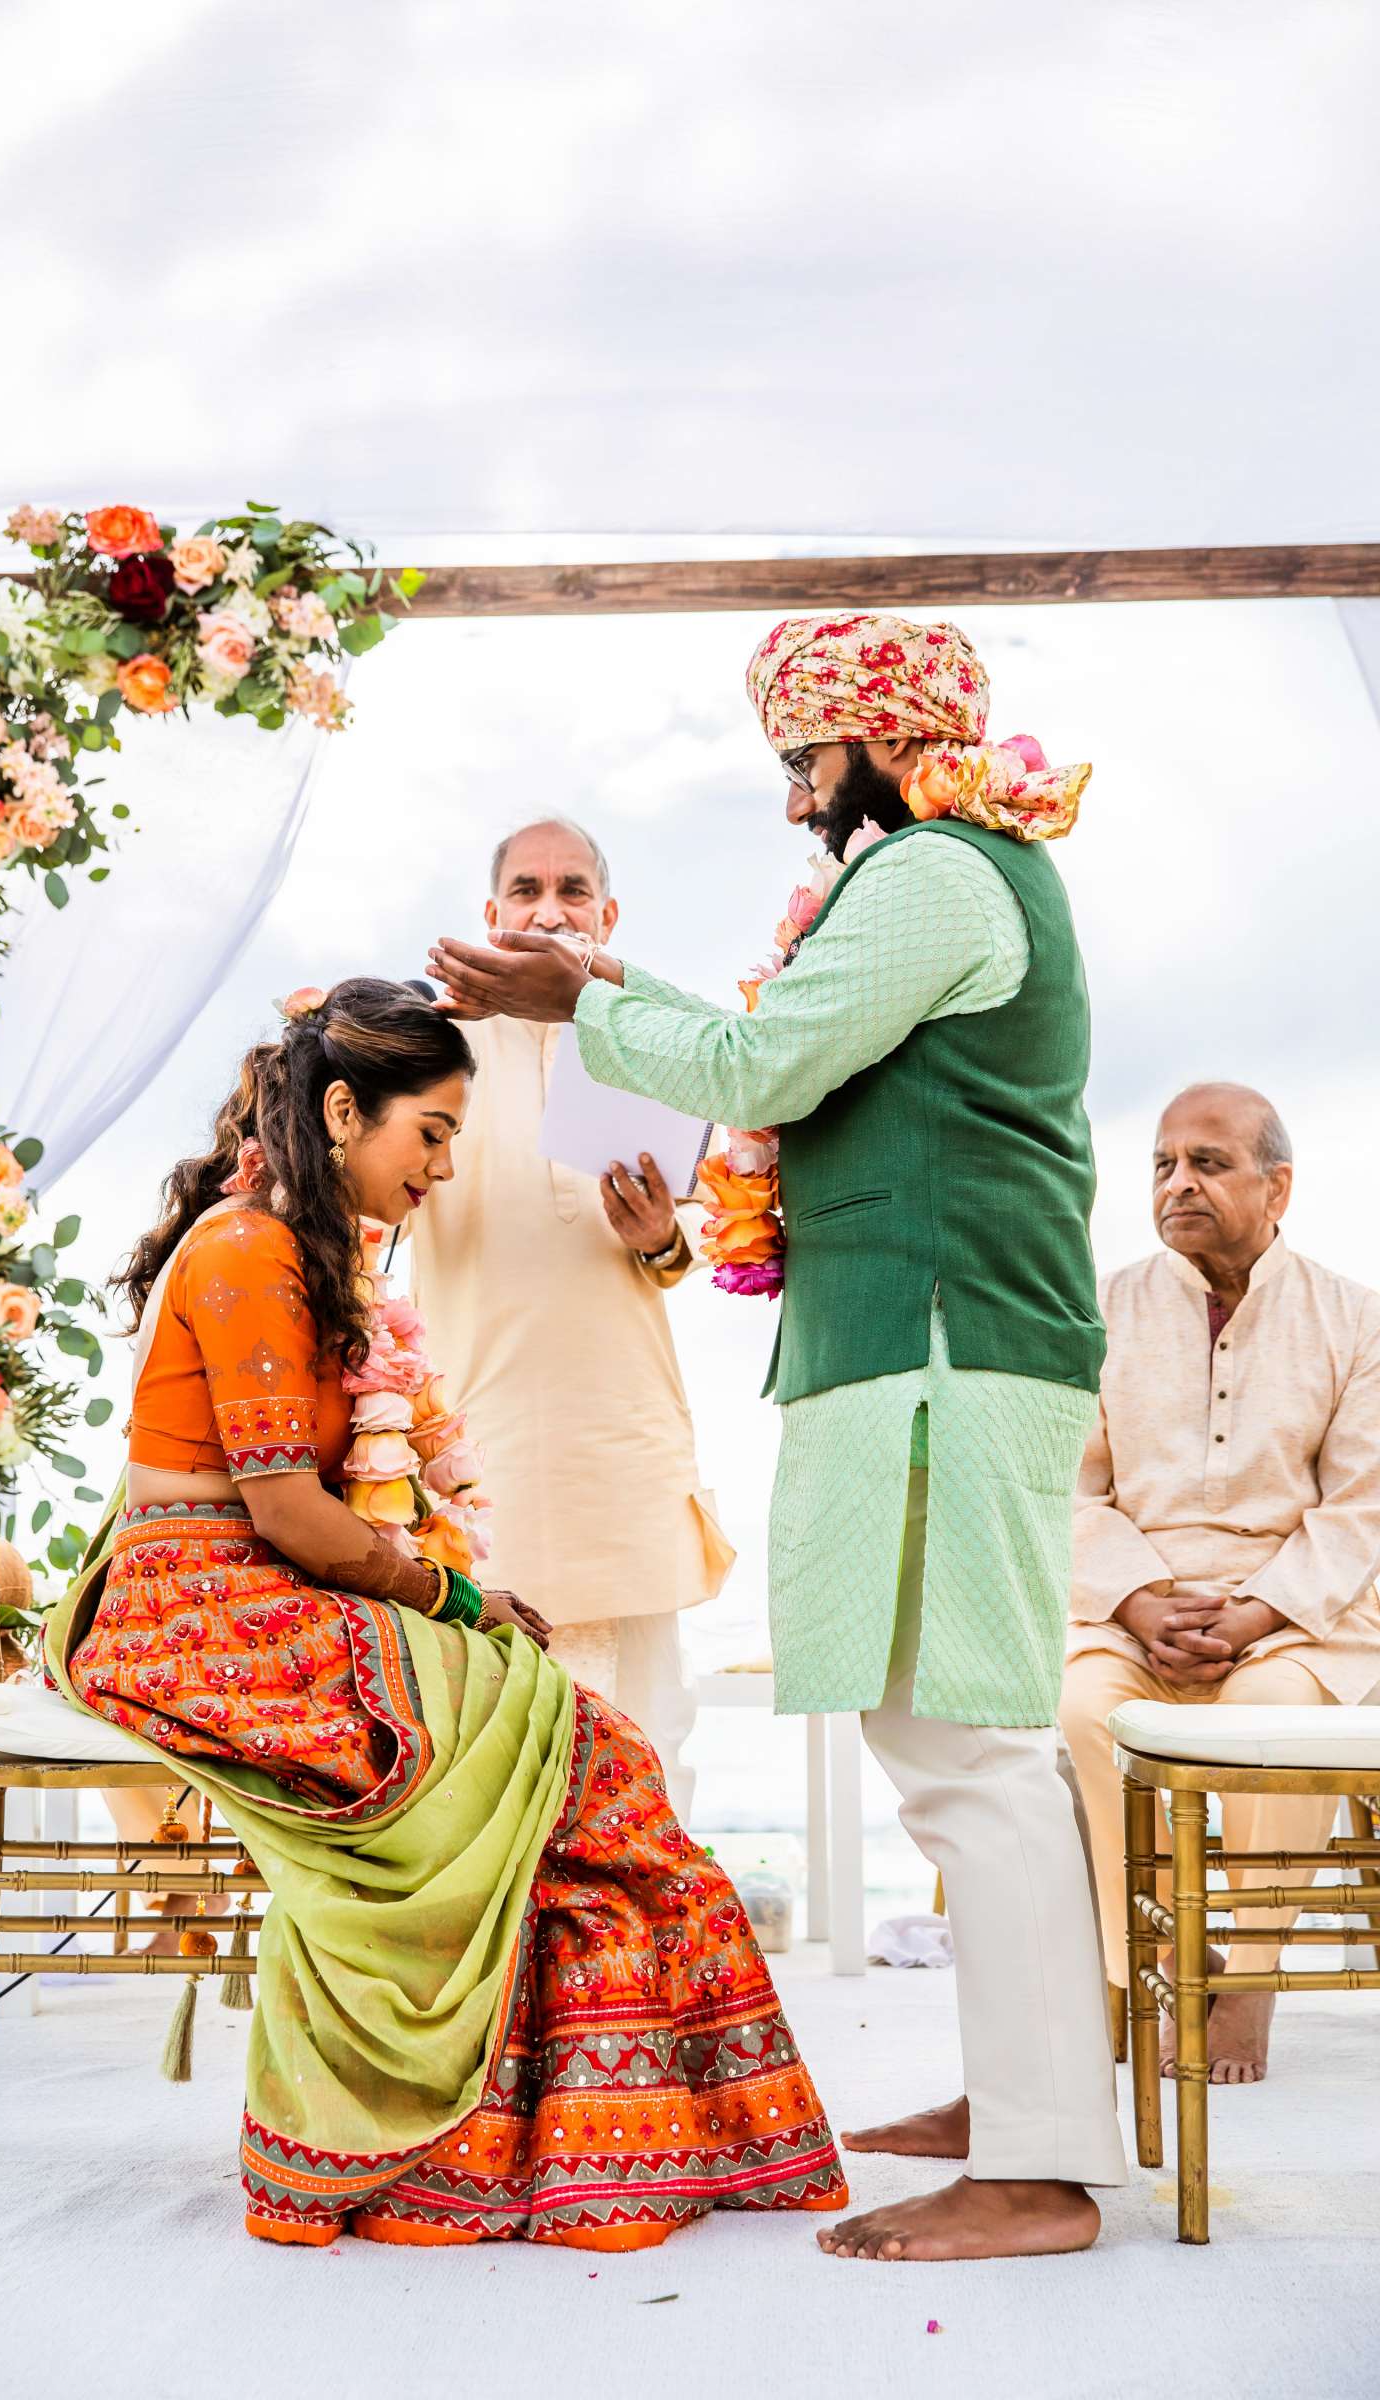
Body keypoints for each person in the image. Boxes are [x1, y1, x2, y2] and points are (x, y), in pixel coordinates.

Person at [428, 611, 1128, 2263]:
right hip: (922, 1349)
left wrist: (588, 994)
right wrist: (590, 991)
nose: (795, 793)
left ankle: (1040, 2166)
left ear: (871, 741)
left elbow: (759, 1061)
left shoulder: (940, 877)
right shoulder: (938, 876)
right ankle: (1022, 2095)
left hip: (949, 1343)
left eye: (803, 758)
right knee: (945, 1738)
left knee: (970, 1748)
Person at [46, 977, 845, 2250]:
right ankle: (468, 2142)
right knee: (553, 1745)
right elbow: (291, 1514)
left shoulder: (303, 1247)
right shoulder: (250, 1248)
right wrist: (455, 1598)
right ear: (348, 1111)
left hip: (265, 1592)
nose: (442, 1166)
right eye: (431, 1134)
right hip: (194, 1605)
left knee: (576, 1746)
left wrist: (452, 1601)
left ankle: (569, 2130)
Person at [407, 816, 732, 1817]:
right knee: (486, 1737)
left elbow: (714, 1235)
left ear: (609, 913)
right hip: (477, 1432)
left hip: (616, 1435)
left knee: (642, 1734)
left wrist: (657, 1239)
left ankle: (644, 1963)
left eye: (574, 889)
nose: (550, 909)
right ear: (491, 913)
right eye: (528, 889)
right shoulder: (429, 1046)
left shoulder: (651, 1040)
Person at [1061, 1081, 1380, 2083]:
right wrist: (1138, 1600)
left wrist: (1252, 1617)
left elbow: (1362, 1503)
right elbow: (1064, 1487)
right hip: (1129, 1613)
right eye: (1162, 1164)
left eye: (1208, 1162)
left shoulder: (1355, 1319)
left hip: (1294, 1618)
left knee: (1272, 1713)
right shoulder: (1096, 1309)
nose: (1178, 1183)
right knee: (1081, 1711)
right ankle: (1152, 1958)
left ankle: (1247, 1978)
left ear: (1277, 1185)